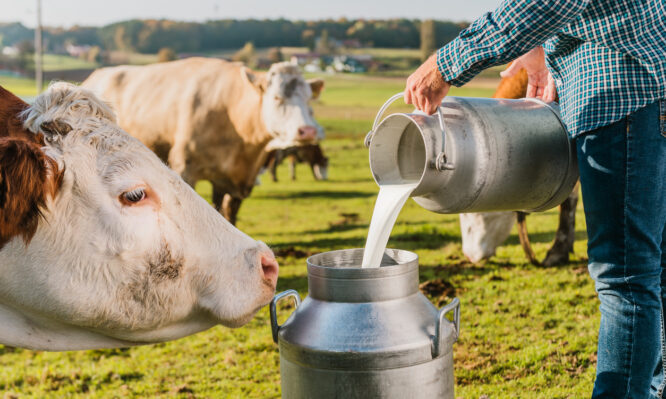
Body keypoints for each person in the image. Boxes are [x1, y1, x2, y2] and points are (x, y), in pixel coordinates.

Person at [404, 1, 665, 397]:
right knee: (652, 268)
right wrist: (541, 49)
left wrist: (446, 63)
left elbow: (543, 5)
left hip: (621, 90)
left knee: (625, 273)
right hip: (647, 86)